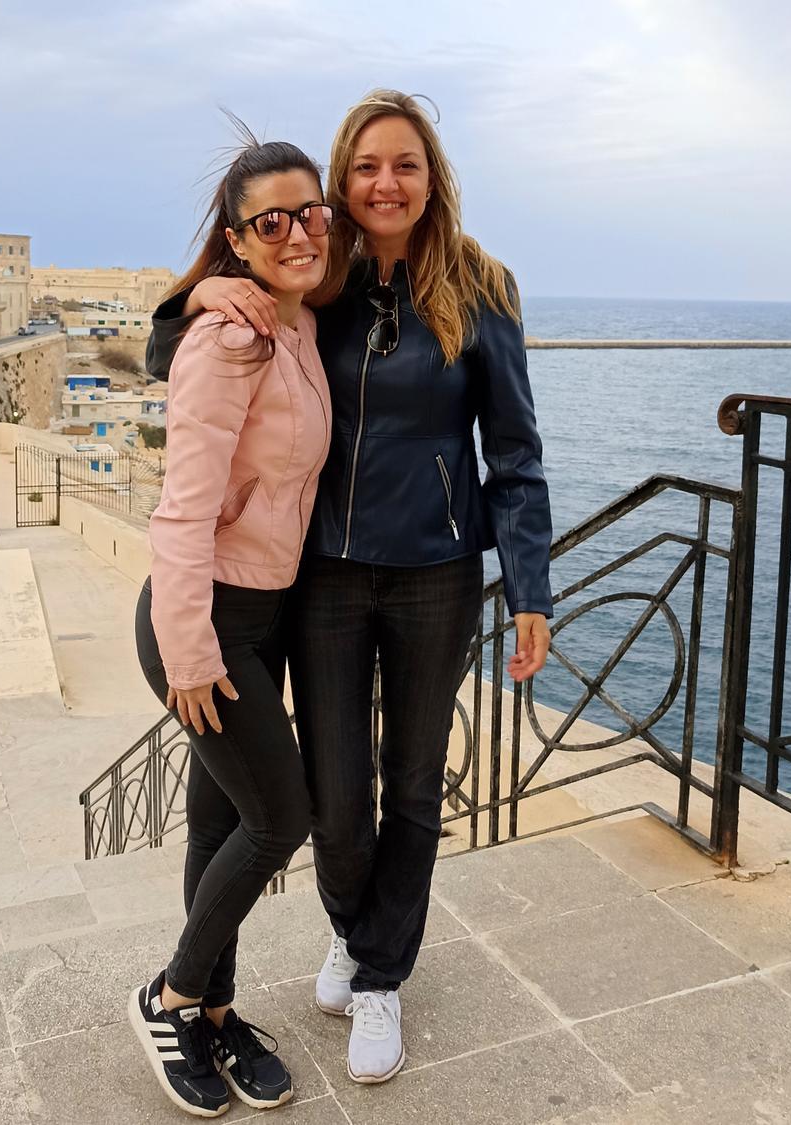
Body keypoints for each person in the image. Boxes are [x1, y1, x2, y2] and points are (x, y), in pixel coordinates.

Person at [147, 89, 554, 1086]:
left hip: (437, 573)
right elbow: (171, 355)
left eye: (406, 164)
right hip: (320, 577)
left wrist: (531, 586)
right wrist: (195, 296)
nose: (386, 182)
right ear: (342, 180)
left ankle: (378, 971)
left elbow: (514, 453)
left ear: (432, 178)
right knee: (333, 790)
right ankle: (343, 928)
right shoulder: (313, 275)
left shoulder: (482, 286)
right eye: (367, 166)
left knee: (412, 782)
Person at [130, 134, 334, 1118]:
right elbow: (181, 507)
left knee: (222, 824)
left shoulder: (296, 322)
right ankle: (170, 996)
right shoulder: (232, 339)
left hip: (265, 615)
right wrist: (191, 651)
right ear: (238, 238)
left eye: (311, 212)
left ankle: (215, 1014)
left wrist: (194, 292)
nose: (298, 233)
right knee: (279, 820)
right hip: (206, 619)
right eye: (271, 221)